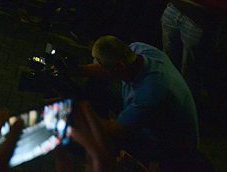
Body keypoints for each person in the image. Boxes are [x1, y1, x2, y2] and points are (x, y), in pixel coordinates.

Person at [81, 35, 199, 164]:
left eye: (100, 64)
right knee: (96, 85)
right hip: (157, 120)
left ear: (119, 66)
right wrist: (77, 70)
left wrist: (78, 117)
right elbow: (103, 70)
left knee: (100, 138)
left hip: (172, 147)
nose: (98, 67)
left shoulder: (149, 93)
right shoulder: (136, 50)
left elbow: (117, 130)